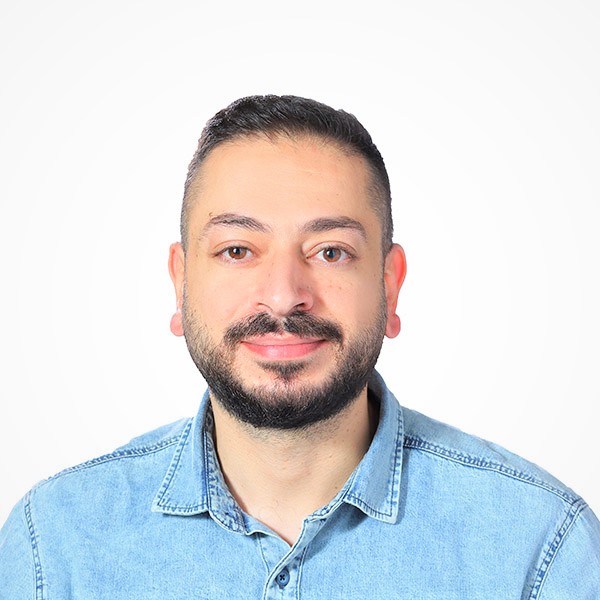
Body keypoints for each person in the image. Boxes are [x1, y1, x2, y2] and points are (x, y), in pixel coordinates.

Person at [1, 95, 598, 599]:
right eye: (237, 250)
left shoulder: (539, 548)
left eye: (330, 252)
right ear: (180, 283)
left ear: (389, 286)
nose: (285, 297)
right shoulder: (52, 548)